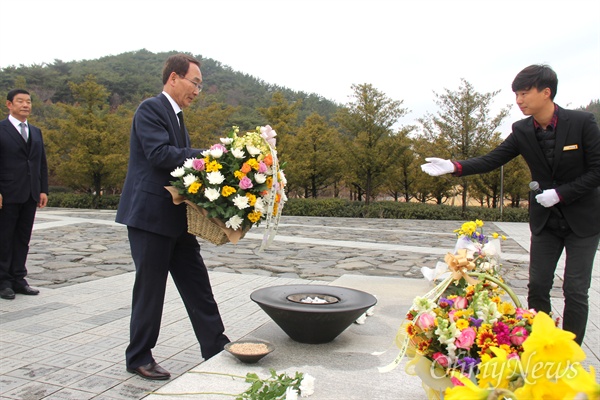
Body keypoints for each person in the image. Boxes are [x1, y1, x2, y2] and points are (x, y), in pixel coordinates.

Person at [421, 64, 600, 345]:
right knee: (538, 286)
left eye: (524, 93)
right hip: (546, 221)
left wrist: (561, 194)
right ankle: (541, 344)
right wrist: (453, 166)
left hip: (583, 221)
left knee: (576, 290)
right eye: (516, 94)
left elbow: (597, 171)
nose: (519, 100)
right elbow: (493, 159)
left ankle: (571, 354)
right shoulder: (522, 130)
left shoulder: (582, 123)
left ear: (546, 92)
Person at [115, 53, 230, 380]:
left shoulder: (178, 117)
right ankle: (138, 356)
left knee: (197, 284)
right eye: (195, 82)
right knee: (151, 288)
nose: (197, 90)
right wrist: (208, 155)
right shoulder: (151, 109)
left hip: (177, 219)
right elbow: (160, 155)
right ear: (174, 78)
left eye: (200, 85)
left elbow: (183, 170)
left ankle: (216, 346)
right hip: (150, 218)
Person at [0, 89, 48, 300]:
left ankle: (19, 278)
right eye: (20, 101)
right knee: (4, 238)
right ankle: (3, 281)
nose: (25, 105)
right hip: (7, 193)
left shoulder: (35, 132)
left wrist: (43, 188)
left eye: (28, 101)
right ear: (9, 104)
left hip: (30, 193)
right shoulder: (1, 129)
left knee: (22, 238)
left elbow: (41, 163)